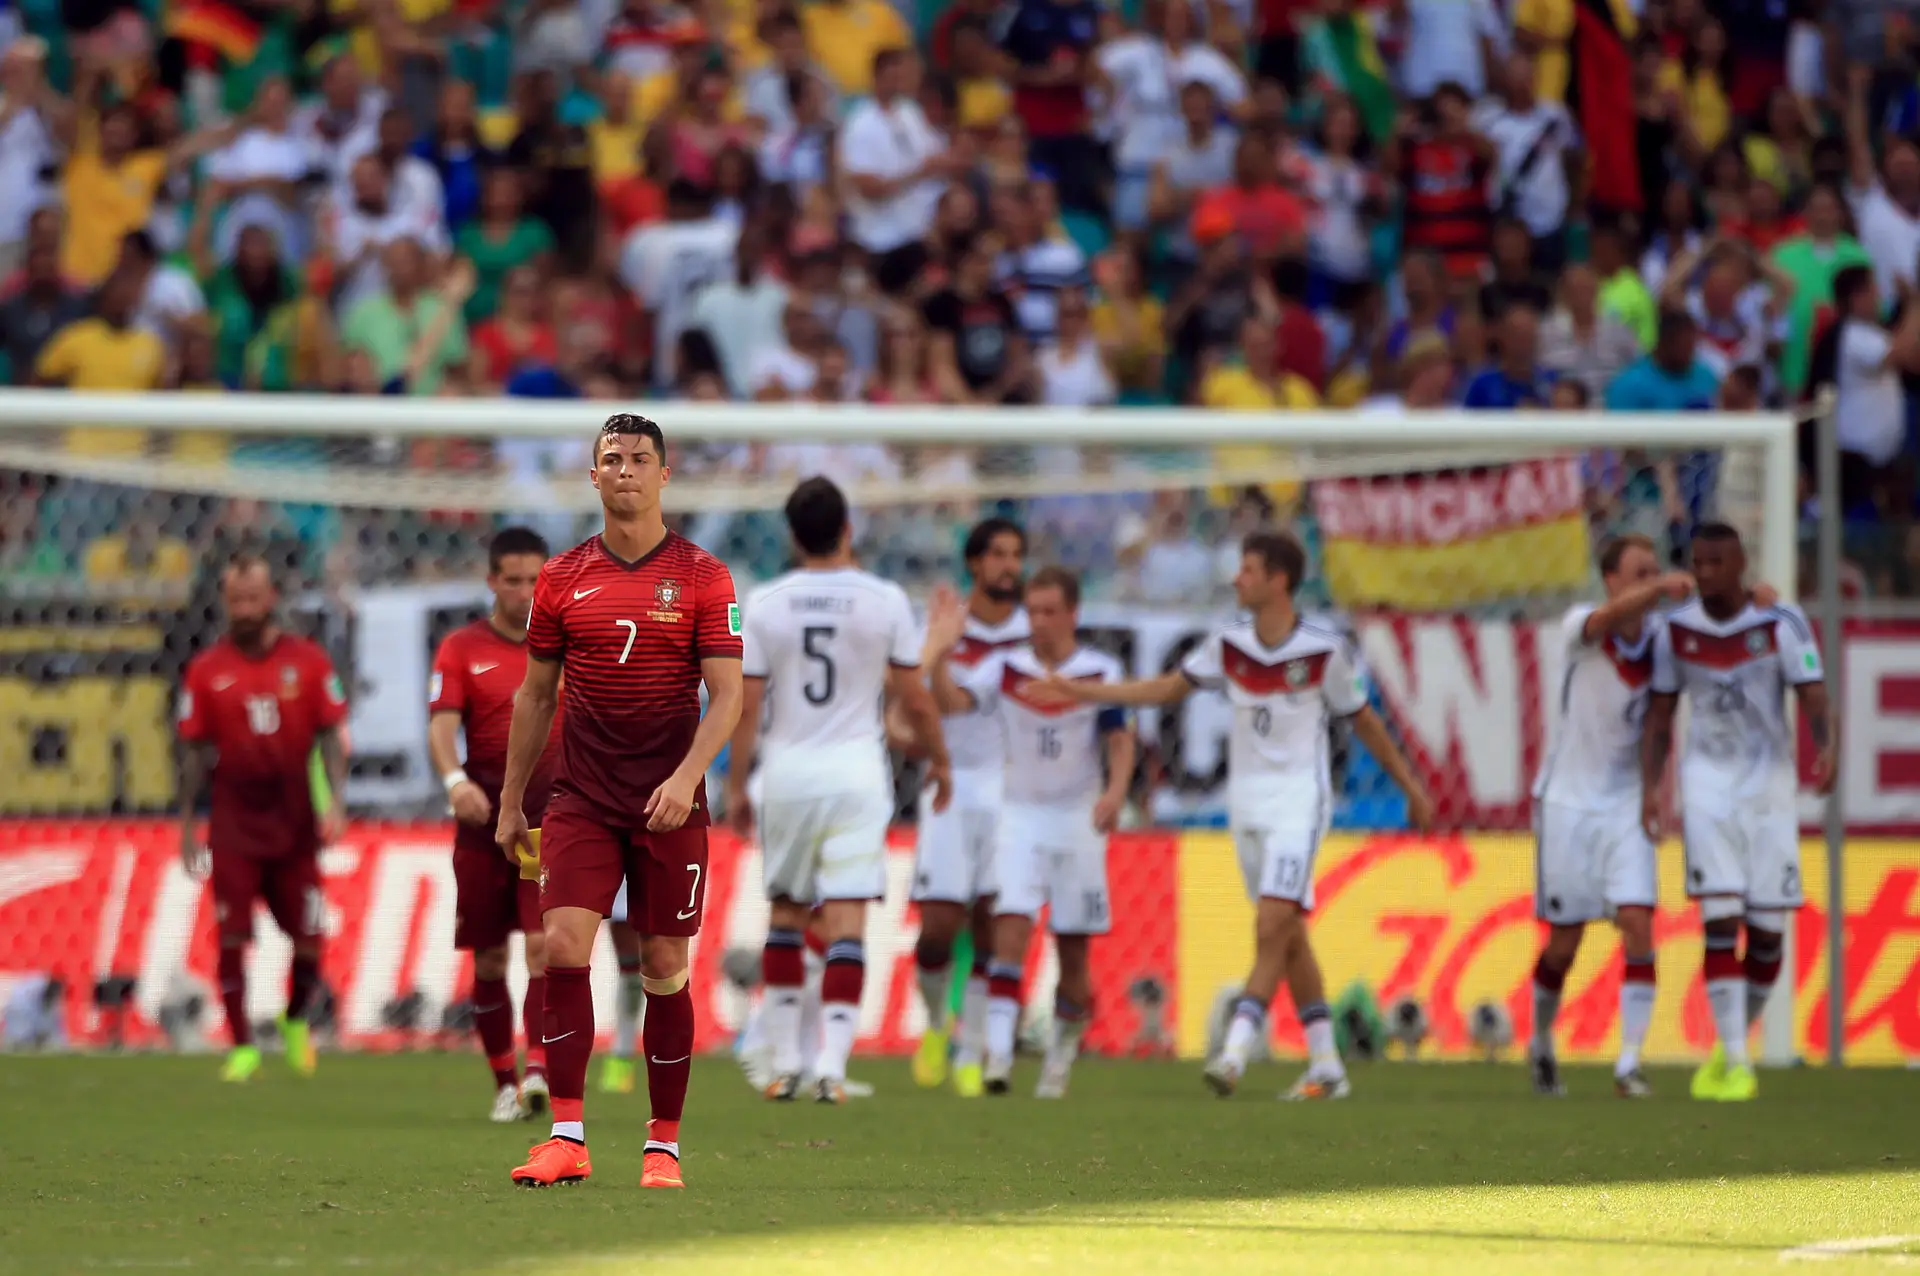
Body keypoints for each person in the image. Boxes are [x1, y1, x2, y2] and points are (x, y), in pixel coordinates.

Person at [1030, 532, 1434, 1101]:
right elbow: (1168, 689)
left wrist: (1411, 787)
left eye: (1247, 570)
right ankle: (1326, 1066)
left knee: (1271, 924)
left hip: (1299, 800)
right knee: (1288, 935)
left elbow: (1364, 721)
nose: (1237, 579)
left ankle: (1236, 1049)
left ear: (1279, 581)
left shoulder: (1323, 651)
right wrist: (1081, 689)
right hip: (1246, 805)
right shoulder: (1228, 645)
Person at [495, 413, 745, 1190]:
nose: (626, 470)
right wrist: (511, 802)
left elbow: (729, 697)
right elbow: (536, 697)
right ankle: (566, 1137)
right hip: (583, 798)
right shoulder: (562, 577)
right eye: (613, 458)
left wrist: (686, 778)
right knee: (563, 947)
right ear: (593, 475)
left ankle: (663, 1146)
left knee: (664, 967)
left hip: (671, 803)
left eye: (640, 458)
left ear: (664, 475)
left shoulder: (706, 576)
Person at [725, 476, 953, 1103]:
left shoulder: (765, 601)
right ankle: (830, 1066)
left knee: (788, 915)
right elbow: (914, 698)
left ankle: (785, 1067)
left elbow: (745, 708)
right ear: (847, 529)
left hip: (788, 774)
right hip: (856, 775)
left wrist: (738, 785)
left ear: (793, 537)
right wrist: (941, 761)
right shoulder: (883, 600)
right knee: (848, 923)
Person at [1640, 523, 1835, 1104]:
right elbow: (1659, 715)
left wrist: (1827, 744)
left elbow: (1813, 692)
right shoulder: (1676, 631)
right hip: (1707, 789)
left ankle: (1731, 1047)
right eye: (1698, 562)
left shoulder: (1782, 621)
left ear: (1741, 563)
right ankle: (1739, 1061)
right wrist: (1652, 787)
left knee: (1770, 933)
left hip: (1770, 792)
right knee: (1720, 920)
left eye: (1716, 562)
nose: (1704, 573)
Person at [926, 566, 1134, 1099]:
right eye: (1032, 611)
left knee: (1073, 951)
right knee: (1010, 926)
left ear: (1072, 614)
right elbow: (954, 704)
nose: (1038, 621)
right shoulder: (1006, 667)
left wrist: (1115, 792)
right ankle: (997, 1058)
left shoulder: (1099, 670)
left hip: (1077, 819)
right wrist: (944, 654)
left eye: (1048, 611)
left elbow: (1119, 740)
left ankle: (1060, 1059)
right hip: (1018, 816)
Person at [1526, 535, 1695, 1100]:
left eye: (1655, 569)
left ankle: (1628, 1063)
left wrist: (1652, 792)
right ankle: (1541, 1041)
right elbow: (1607, 620)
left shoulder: (1661, 644)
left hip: (1624, 802)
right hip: (1567, 804)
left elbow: (1658, 723)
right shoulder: (1582, 627)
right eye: (1639, 572)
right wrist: (1660, 588)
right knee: (1564, 943)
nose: (1651, 579)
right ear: (1612, 580)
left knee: (1639, 923)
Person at [176, 555, 350, 1084]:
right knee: (231, 936)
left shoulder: (309, 661)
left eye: (253, 598)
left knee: (310, 938)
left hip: (296, 821)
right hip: (233, 823)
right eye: (235, 600)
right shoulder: (206, 670)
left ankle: (295, 1019)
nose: (245, 609)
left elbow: (331, 736)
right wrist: (187, 825)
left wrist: (336, 800)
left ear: (272, 597)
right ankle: (242, 1046)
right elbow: (192, 752)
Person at [427, 527, 557, 1123]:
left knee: (542, 950)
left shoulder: (564, 649)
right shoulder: (460, 648)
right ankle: (504, 1082)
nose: (525, 592)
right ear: (491, 582)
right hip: (482, 824)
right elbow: (440, 728)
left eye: (535, 580)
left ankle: (537, 1075)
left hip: (545, 825)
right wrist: (457, 784)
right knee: (488, 962)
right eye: (513, 580)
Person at [908, 518, 1030, 1097]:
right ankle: (937, 1025)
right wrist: (937, 648)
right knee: (937, 929)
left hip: (1011, 788)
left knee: (991, 922)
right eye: (998, 555)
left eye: (1016, 555)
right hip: (950, 782)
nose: (1009, 565)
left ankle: (971, 1049)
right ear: (975, 563)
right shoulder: (942, 627)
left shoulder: (1035, 632)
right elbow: (916, 705)